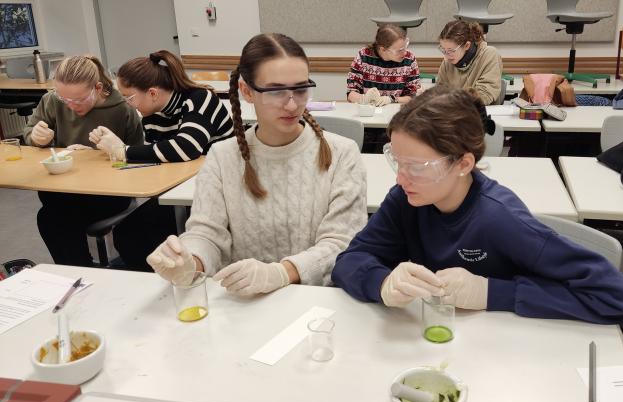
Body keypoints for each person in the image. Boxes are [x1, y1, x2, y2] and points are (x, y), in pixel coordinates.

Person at [331, 88, 623, 324]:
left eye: (417, 165)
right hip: (434, 340)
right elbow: (350, 261)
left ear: (463, 163)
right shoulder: (406, 199)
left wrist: (491, 293)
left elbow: (617, 297)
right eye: (397, 161)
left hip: (502, 354)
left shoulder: (500, 218)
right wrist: (382, 281)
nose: (400, 178)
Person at [146, 33, 368, 296]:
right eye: (275, 91)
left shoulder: (342, 153)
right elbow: (207, 234)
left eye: (300, 89)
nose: (291, 103)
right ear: (247, 92)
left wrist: (281, 272)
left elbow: (341, 243)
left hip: (316, 303)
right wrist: (188, 262)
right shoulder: (222, 157)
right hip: (243, 302)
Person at [89, 50, 235, 271]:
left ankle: (179, 281)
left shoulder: (199, 99)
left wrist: (123, 151)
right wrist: (120, 148)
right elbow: (159, 155)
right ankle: (160, 285)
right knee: (128, 235)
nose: (128, 104)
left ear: (153, 93)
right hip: (178, 189)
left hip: (218, 190)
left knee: (137, 237)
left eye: (129, 97)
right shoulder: (151, 114)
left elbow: (186, 148)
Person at [22, 55, 143, 267]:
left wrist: (103, 154)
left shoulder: (122, 108)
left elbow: (139, 161)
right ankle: (78, 272)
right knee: (51, 217)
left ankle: (82, 270)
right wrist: (36, 137)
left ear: (97, 88)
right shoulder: (51, 100)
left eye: (78, 100)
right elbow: (30, 132)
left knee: (58, 218)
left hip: (108, 193)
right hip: (63, 190)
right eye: (64, 99)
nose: (70, 106)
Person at [347, 24, 420, 106]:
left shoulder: (409, 59)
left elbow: (413, 97)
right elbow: (351, 94)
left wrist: (392, 99)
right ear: (383, 49)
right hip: (368, 111)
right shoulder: (364, 56)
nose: (404, 53)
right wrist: (365, 98)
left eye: (405, 47)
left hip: (397, 112)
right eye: (399, 51)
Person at [436, 20, 503, 106]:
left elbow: (483, 96)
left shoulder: (489, 55)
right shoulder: (447, 62)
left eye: (451, 50)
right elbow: (440, 92)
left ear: (467, 45)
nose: (446, 56)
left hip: (481, 114)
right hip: (454, 114)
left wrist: (450, 101)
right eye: (443, 50)